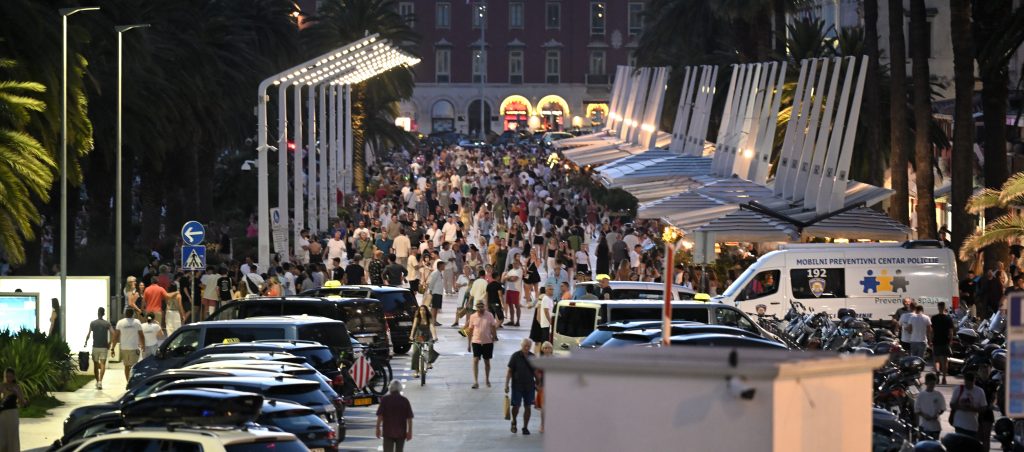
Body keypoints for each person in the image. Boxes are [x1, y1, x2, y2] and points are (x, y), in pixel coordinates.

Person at [505, 338, 537, 435]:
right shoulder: (515, 356)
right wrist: (506, 384)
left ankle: (525, 427)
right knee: (516, 406)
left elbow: (536, 372)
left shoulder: (533, 357)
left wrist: (539, 383)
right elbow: (509, 371)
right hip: (517, 386)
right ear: (521, 346)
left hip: (529, 386)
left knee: (528, 407)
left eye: (528, 346)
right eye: (525, 346)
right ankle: (514, 421)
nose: (527, 348)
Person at [465, 302, 498, 389]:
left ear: (484, 307)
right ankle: (476, 381)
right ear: (476, 308)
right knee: (475, 360)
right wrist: (468, 344)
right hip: (476, 341)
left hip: (487, 341)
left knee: (487, 361)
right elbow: (470, 330)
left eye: (482, 307)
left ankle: (487, 379)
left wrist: (494, 337)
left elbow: (493, 327)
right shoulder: (473, 316)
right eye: (478, 307)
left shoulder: (490, 315)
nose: (480, 309)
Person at [376, 380, 414, 452]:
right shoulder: (404, 401)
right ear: (400, 388)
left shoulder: (385, 400)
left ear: (390, 388)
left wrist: (378, 429)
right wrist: (410, 432)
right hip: (401, 433)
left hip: (388, 432)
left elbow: (380, 416)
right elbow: (409, 418)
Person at [111, 309, 145, 383]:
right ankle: (133, 382)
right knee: (134, 367)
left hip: (124, 348)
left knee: (126, 366)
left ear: (125, 314)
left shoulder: (120, 322)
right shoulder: (137, 322)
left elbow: (116, 336)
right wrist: (143, 345)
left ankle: (128, 382)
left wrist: (113, 348)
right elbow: (141, 335)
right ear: (133, 314)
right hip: (134, 348)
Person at [950, 372, 988, 436]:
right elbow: (952, 404)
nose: (968, 385)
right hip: (959, 423)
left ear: (974, 381)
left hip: (972, 425)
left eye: (970, 384)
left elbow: (984, 408)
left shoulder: (979, 391)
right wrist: (961, 407)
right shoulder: (958, 389)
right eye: (966, 383)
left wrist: (973, 409)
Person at [0, 367, 29, 452]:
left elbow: (22, 402)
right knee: (2, 437)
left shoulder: (17, 387)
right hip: (2, 414)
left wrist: (16, 393)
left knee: (13, 437)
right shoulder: (1, 386)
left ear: (13, 377)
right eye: (7, 376)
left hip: (12, 414)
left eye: (10, 376)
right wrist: (5, 395)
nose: (8, 378)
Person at [84, 307, 113, 389]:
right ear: (103, 313)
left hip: (95, 346)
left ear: (98, 313)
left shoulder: (93, 323)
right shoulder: (107, 324)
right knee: (103, 364)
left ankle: (97, 382)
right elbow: (113, 333)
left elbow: (89, 334)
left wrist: (86, 342)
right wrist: (109, 343)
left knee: (96, 365)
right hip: (104, 346)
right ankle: (100, 381)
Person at [409, 305, 437, 379]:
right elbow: (414, 327)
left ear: (426, 311)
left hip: (428, 335)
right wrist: (411, 336)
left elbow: (432, 326)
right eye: (421, 310)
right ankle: (416, 371)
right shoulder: (417, 318)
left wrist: (434, 336)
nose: (422, 311)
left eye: (424, 310)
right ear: (419, 311)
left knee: (431, 345)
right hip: (419, 336)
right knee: (415, 352)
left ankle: (429, 363)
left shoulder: (429, 318)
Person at [915, 373, 946, 440]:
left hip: (936, 427)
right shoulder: (921, 395)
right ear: (926, 383)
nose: (932, 386)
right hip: (924, 426)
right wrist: (924, 415)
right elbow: (917, 410)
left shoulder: (938, 395)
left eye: (933, 384)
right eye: (930, 384)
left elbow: (942, 408)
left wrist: (937, 414)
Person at [931, 302, 955, 384]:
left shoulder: (934, 318)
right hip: (945, 341)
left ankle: (937, 371)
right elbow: (951, 331)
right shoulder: (948, 318)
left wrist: (930, 340)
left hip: (936, 341)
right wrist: (951, 341)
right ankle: (944, 378)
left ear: (938, 307)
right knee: (944, 361)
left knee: (936, 360)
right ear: (944, 307)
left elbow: (932, 331)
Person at [530, 285, 554, 354]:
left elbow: (532, 306)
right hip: (540, 322)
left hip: (538, 322)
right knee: (540, 342)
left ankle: (537, 355)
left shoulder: (541, 298)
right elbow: (542, 312)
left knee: (538, 342)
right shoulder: (544, 298)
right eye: (550, 289)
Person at [536, 341, 553, 434]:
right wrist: (537, 384)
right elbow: (537, 373)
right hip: (543, 386)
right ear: (542, 349)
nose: (547, 349)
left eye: (548, 348)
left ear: (551, 349)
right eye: (545, 348)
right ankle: (542, 425)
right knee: (543, 408)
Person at [504, 260, 524, 326]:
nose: (514, 264)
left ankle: (518, 321)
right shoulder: (511, 271)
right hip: (509, 289)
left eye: (516, 263)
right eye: (514, 263)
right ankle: (511, 320)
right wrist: (510, 278)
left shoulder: (520, 270)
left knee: (517, 305)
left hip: (516, 290)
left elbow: (514, 279)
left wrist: (508, 278)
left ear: (518, 264)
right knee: (510, 305)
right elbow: (504, 278)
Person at [426, 261, 446, 326]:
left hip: (439, 292)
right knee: (434, 307)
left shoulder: (440, 273)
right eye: (443, 265)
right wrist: (431, 290)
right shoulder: (435, 273)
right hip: (435, 292)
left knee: (436, 307)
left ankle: (435, 320)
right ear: (440, 266)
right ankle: (432, 321)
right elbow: (431, 282)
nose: (444, 267)